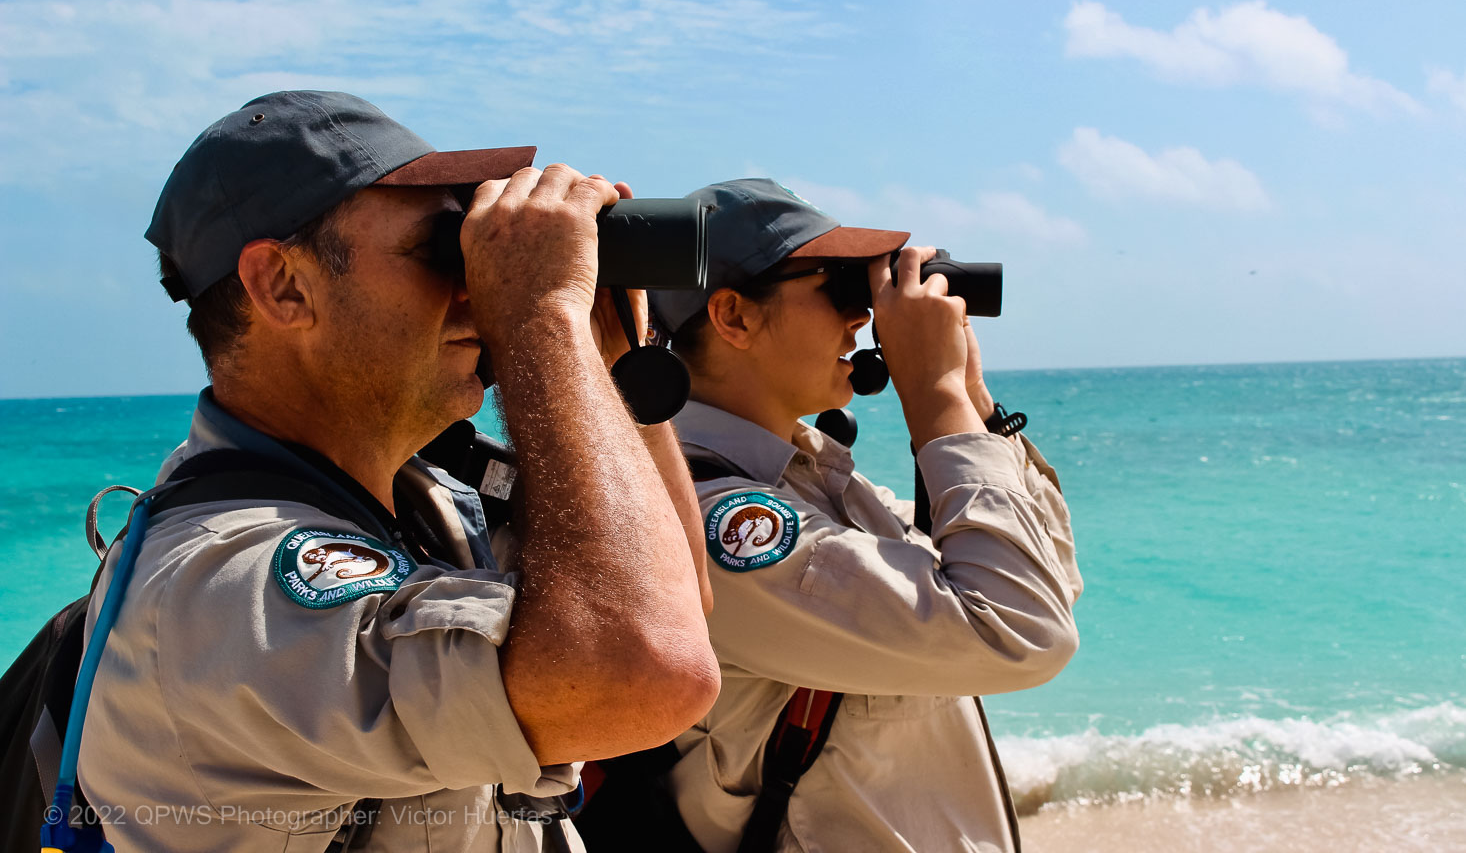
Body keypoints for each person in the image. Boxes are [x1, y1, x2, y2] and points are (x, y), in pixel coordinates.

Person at [75, 91, 721, 852]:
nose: (475, 286)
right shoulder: (227, 582)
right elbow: (647, 671)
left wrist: (603, 358)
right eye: (443, 250)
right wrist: (540, 315)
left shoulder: (427, 504)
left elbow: (680, 599)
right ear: (283, 285)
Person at [645, 179, 1083, 853]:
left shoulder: (819, 481)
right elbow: (1023, 633)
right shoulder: (713, 522)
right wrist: (932, 397)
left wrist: (972, 399)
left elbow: (1044, 580)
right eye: (838, 286)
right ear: (733, 316)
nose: (862, 316)